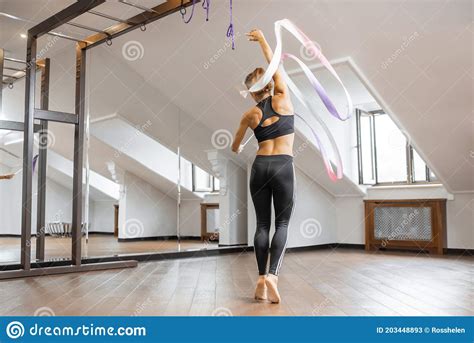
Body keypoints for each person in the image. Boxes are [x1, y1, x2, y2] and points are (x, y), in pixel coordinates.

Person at [231, 29, 295, 304]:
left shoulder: (250, 114)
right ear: (269, 84)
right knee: (282, 223)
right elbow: (275, 63)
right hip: (282, 165)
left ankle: (259, 279)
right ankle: (272, 276)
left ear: (252, 92)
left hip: (259, 167)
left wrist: (241, 145)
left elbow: (234, 146)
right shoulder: (282, 96)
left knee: (261, 225)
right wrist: (262, 41)